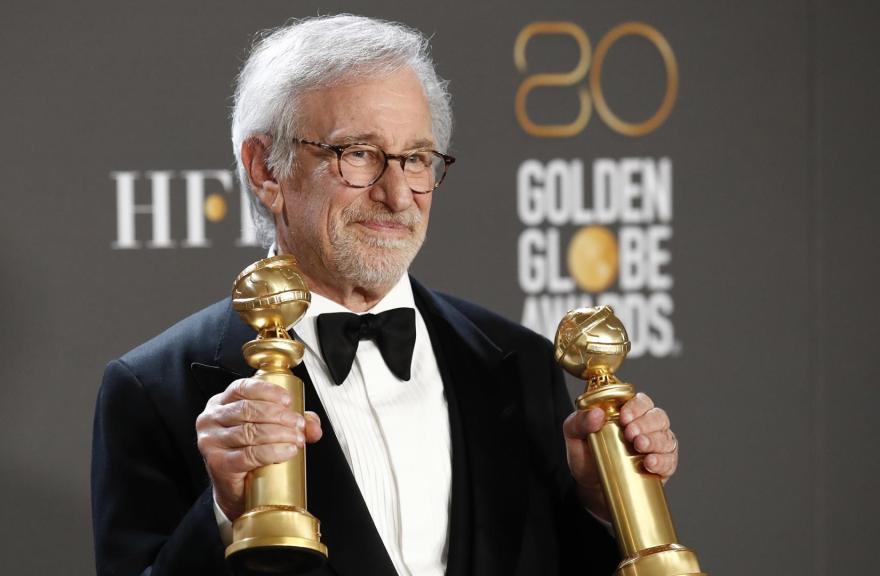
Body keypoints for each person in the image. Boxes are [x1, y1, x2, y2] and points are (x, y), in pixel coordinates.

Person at [92, 14, 680, 576]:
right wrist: (225, 512)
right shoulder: (155, 389)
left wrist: (604, 505)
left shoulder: (517, 363)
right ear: (267, 168)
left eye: (417, 159)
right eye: (359, 155)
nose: (399, 196)